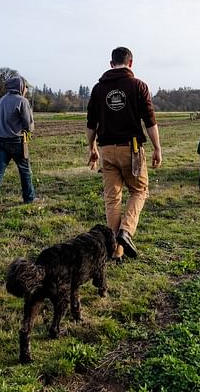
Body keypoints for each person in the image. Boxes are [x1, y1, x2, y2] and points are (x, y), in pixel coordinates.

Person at [86, 47, 162, 260]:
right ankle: (126, 231)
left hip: (107, 149)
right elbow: (150, 121)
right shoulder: (138, 86)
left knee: (112, 199)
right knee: (139, 191)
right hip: (133, 149)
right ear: (131, 63)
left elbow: (91, 124)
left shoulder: (98, 89)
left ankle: (115, 251)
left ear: (111, 64)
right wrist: (157, 148)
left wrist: (91, 147)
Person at [0, 76, 36, 213]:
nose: (26, 90)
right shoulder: (22, 101)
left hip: (0, 141)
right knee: (25, 171)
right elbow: (29, 125)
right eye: (25, 87)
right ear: (20, 87)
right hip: (17, 141)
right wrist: (27, 132)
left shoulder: (0, 101)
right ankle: (29, 199)